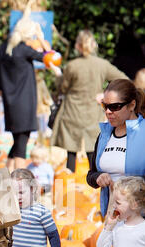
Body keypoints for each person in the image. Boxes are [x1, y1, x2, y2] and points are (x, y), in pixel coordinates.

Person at [86, 78, 145, 238]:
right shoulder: (104, 135)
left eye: (115, 107)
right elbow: (91, 174)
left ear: (131, 105)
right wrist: (98, 177)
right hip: (115, 214)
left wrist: (136, 183)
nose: (108, 112)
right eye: (105, 106)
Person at [50, 29, 127, 173]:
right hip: (93, 112)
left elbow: (63, 88)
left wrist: (58, 74)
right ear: (93, 45)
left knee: (71, 151)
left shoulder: (72, 65)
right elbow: (124, 80)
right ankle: (95, 187)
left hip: (72, 112)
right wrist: (106, 94)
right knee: (93, 150)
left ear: (77, 46)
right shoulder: (102, 64)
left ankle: (71, 188)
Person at [0, 5, 54, 172]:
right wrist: (41, 38)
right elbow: (51, 58)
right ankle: (17, 184)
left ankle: (6, 179)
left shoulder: (3, 49)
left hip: (10, 104)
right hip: (25, 103)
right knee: (21, 145)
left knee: (17, 142)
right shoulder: (23, 49)